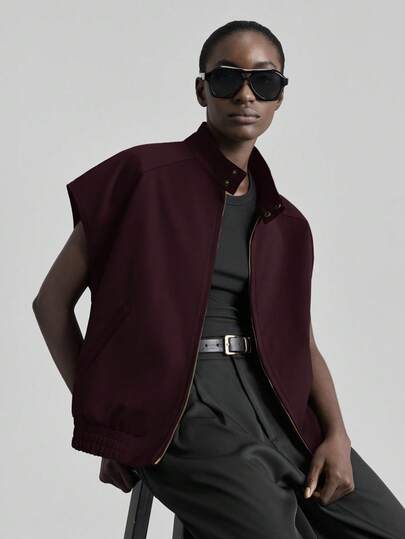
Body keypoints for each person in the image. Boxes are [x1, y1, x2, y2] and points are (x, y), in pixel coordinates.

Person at [33, 20, 405, 538]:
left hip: (280, 406)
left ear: (280, 97)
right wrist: (110, 422)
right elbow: (51, 303)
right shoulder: (143, 178)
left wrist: (337, 434)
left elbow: (301, 341)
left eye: (265, 81)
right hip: (180, 412)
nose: (246, 95)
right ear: (201, 89)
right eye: (228, 78)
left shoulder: (287, 223)